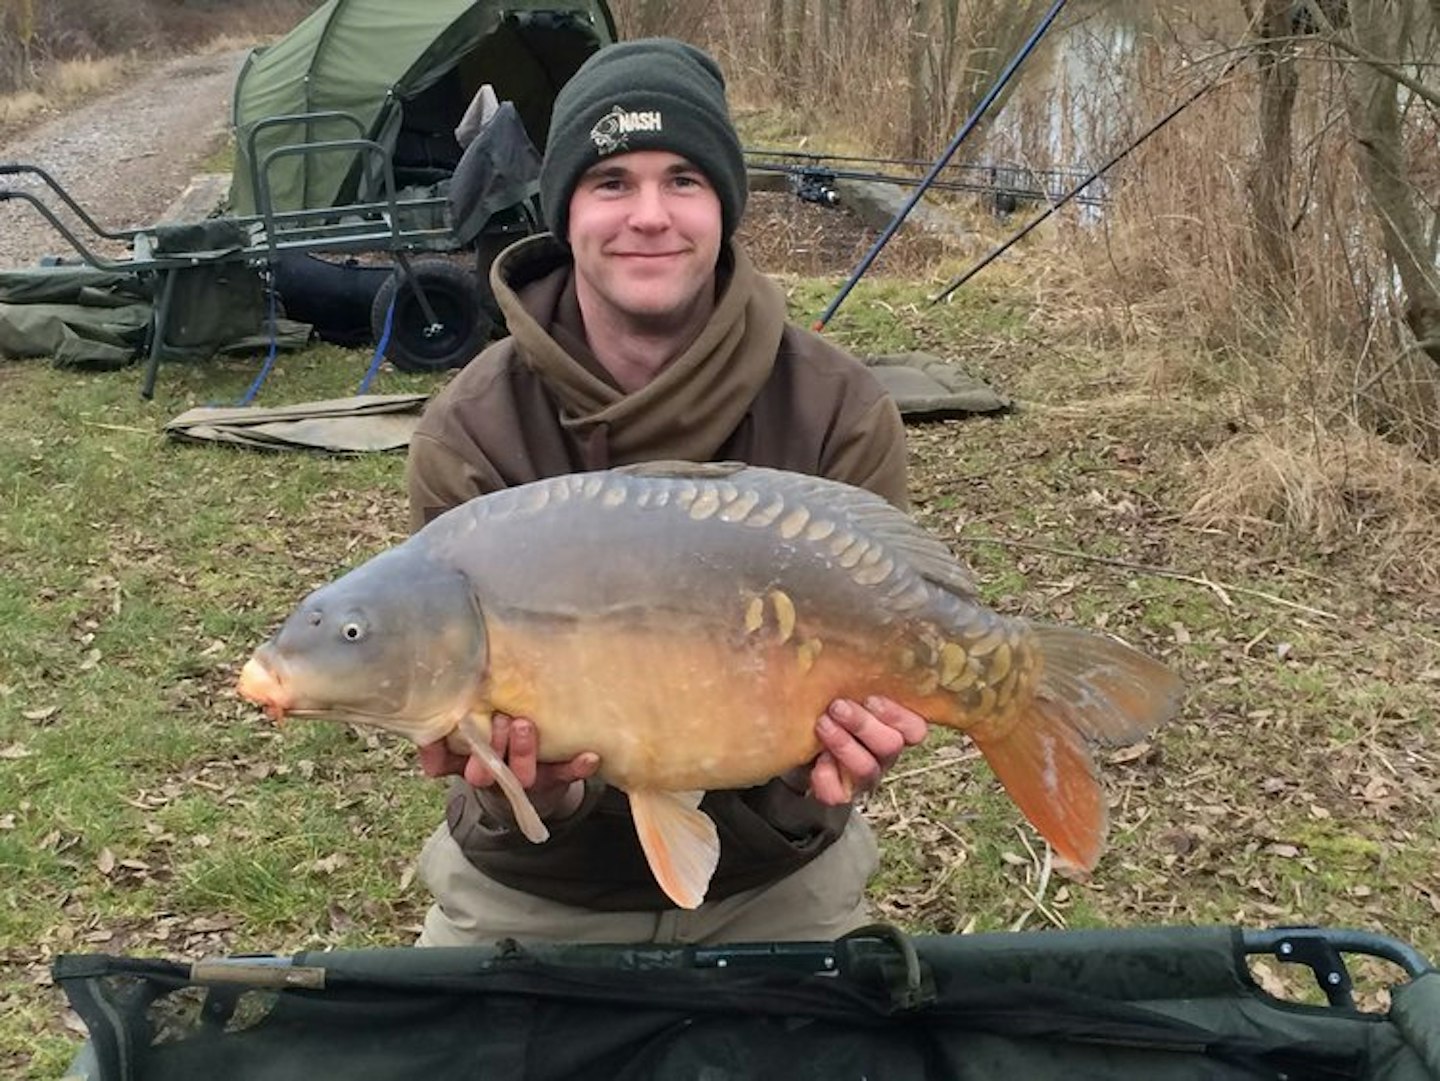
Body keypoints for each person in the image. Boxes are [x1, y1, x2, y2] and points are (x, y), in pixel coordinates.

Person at [405, 38, 928, 946]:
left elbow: (882, 665)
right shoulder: (472, 429)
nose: (649, 215)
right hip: (532, 886)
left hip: (778, 871)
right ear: (563, 208)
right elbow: (471, 732)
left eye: (684, 178)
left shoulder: (838, 407)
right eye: (611, 182)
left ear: (724, 206)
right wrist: (539, 790)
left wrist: (843, 756)